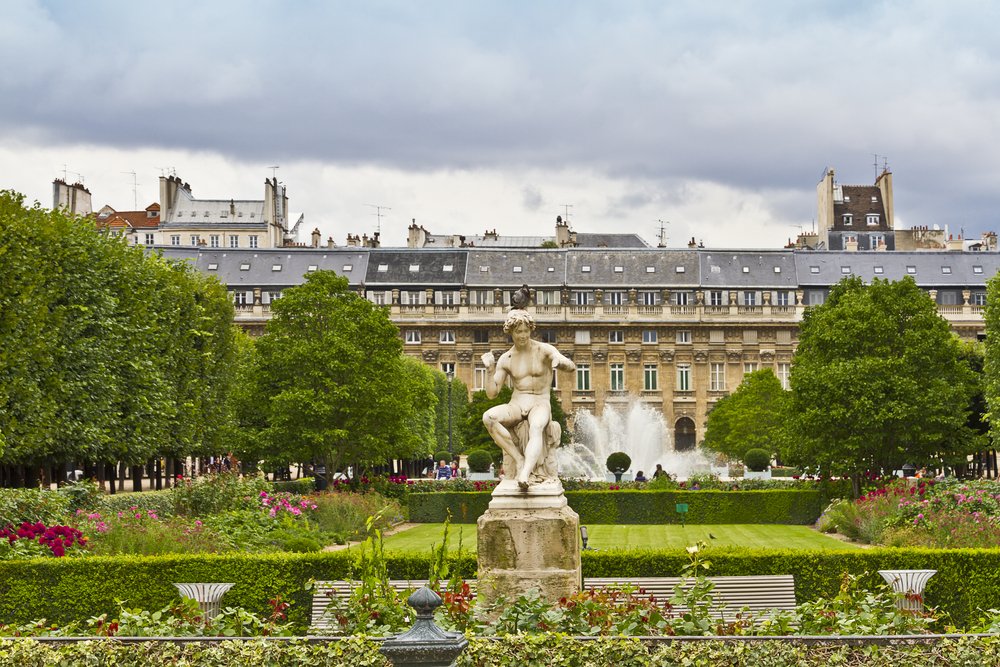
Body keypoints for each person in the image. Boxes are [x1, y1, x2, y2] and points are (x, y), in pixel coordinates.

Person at [482, 308, 576, 492]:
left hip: (540, 402)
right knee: (488, 418)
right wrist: (490, 370)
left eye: (526, 331)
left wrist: (559, 360)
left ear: (530, 329)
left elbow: (571, 366)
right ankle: (519, 459)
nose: (523, 335)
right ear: (510, 332)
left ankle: (525, 473)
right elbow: (492, 394)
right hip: (516, 403)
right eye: (518, 332)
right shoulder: (506, 358)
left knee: (536, 426)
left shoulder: (543, 350)